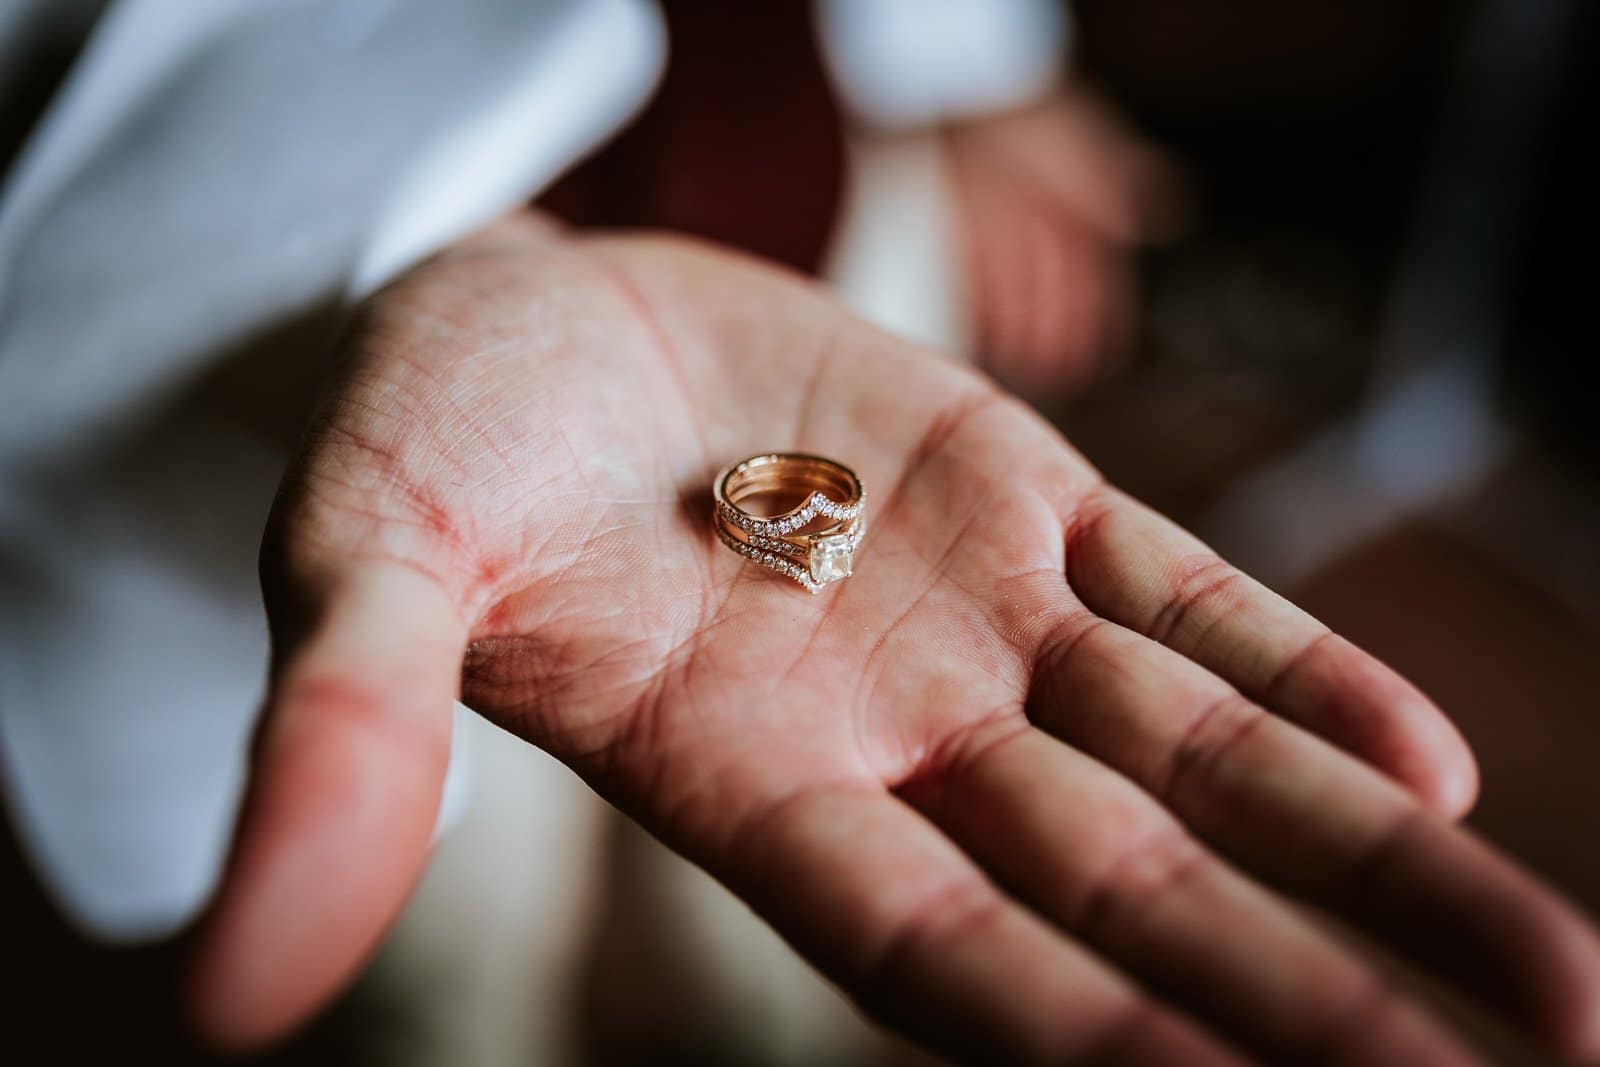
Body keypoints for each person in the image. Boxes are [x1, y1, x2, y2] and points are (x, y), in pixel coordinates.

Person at [3, 3, 1598, 1064]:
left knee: (832, 844)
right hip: (320, 282)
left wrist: (972, 64)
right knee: (444, 885)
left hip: (818, 211)